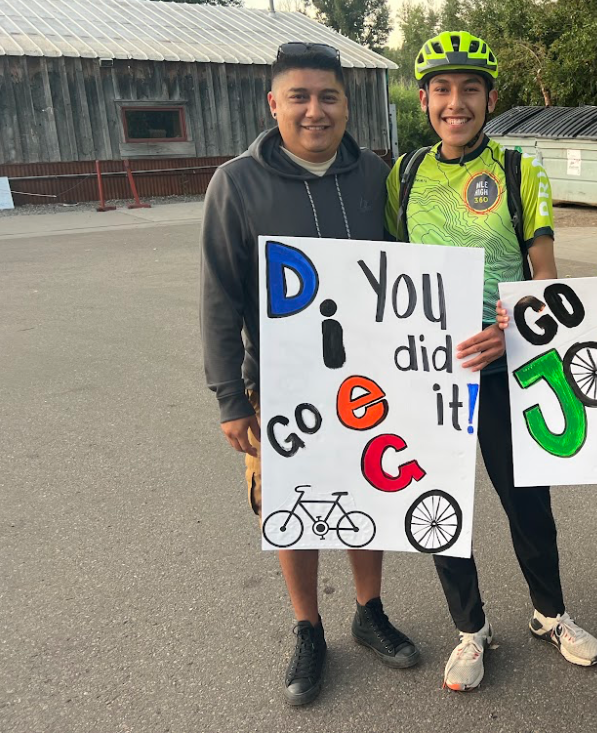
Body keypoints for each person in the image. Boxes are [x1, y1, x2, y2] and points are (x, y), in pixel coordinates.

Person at [200, 42, 420, 706]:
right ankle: (308, 628)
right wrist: (230, 398)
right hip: (280, 384)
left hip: (370, 379)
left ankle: (369, 611)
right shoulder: (236, 184)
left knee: (368, 493)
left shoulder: (376, 175)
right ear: (274, 103)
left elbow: (410, 274)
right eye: (299, 97)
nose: (315, 111)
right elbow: (219, 297)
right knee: (292, 506)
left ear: (347, 105)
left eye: (329, 97)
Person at [385, 31, 597, 692]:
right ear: (424, 100)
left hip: (507, 367)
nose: (456, 103)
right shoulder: (405, 174)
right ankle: (470, 629)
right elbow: (388, 273)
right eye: (442, 90)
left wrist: (513, 335)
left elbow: (545, 280)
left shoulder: (517, 169)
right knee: (440, 505)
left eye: (470, 90)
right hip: (432, 372)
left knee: (526, 502)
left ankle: (551, 614)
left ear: (490, 99)